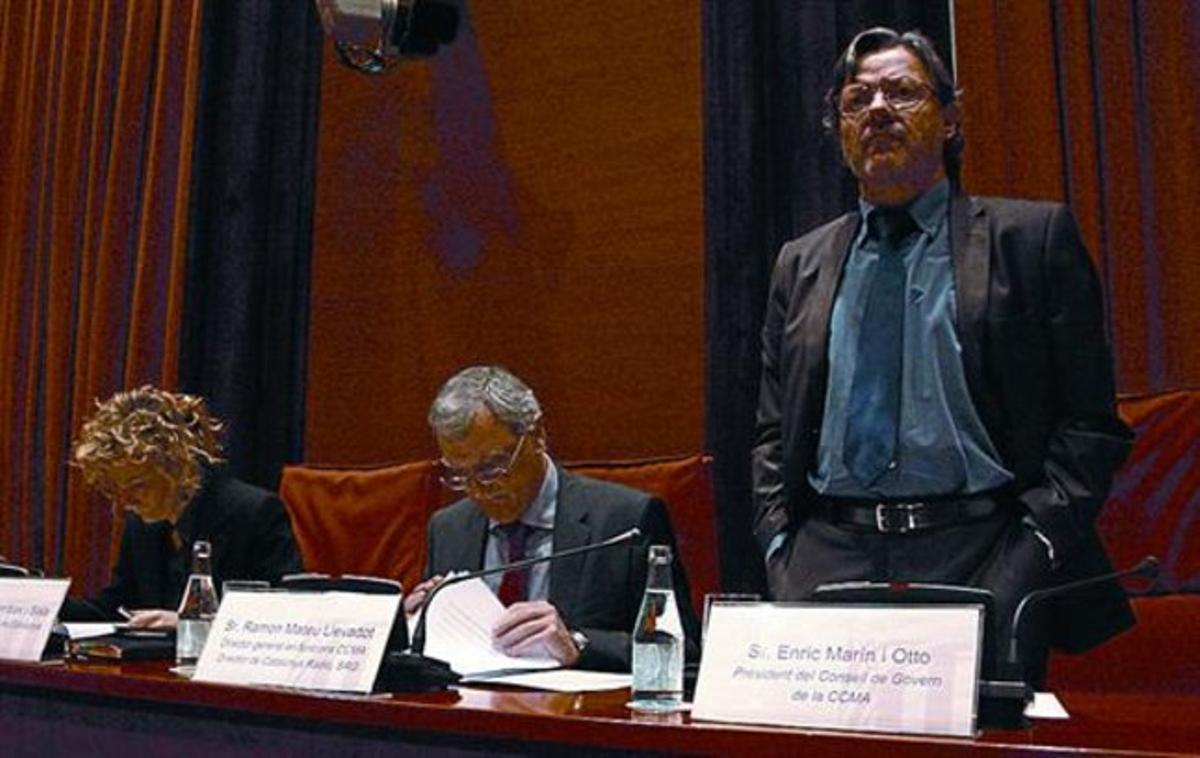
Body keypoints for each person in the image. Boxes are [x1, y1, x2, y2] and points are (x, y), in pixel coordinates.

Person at [752, 28, 1134, 684]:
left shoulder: (1031, 240)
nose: (877, 109)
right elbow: (769, 431)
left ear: (951, 120)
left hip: (982, 549)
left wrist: (1035, 546)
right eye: (857, 98)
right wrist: (782, 547)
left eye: (902, 92)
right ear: (840, 131)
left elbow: (1089, 423)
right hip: (826, 557)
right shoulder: (800, 263)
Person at [406, 365, 700, 672]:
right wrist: (414, 628)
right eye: (459, 474)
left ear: (537, 436)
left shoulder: (625, 522)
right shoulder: (448, 529)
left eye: (492, 467)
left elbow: (683, 655)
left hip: (575, 712)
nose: (478, 490)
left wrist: (578, 644)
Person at [61, 385, 303, 627]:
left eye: (138, 486)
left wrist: (188, 623)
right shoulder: (142, 524)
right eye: (115, 490)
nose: (123, 504)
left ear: (176, 467)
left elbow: (282, 616)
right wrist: (46, 604)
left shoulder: (254, 513)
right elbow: (114, 608)